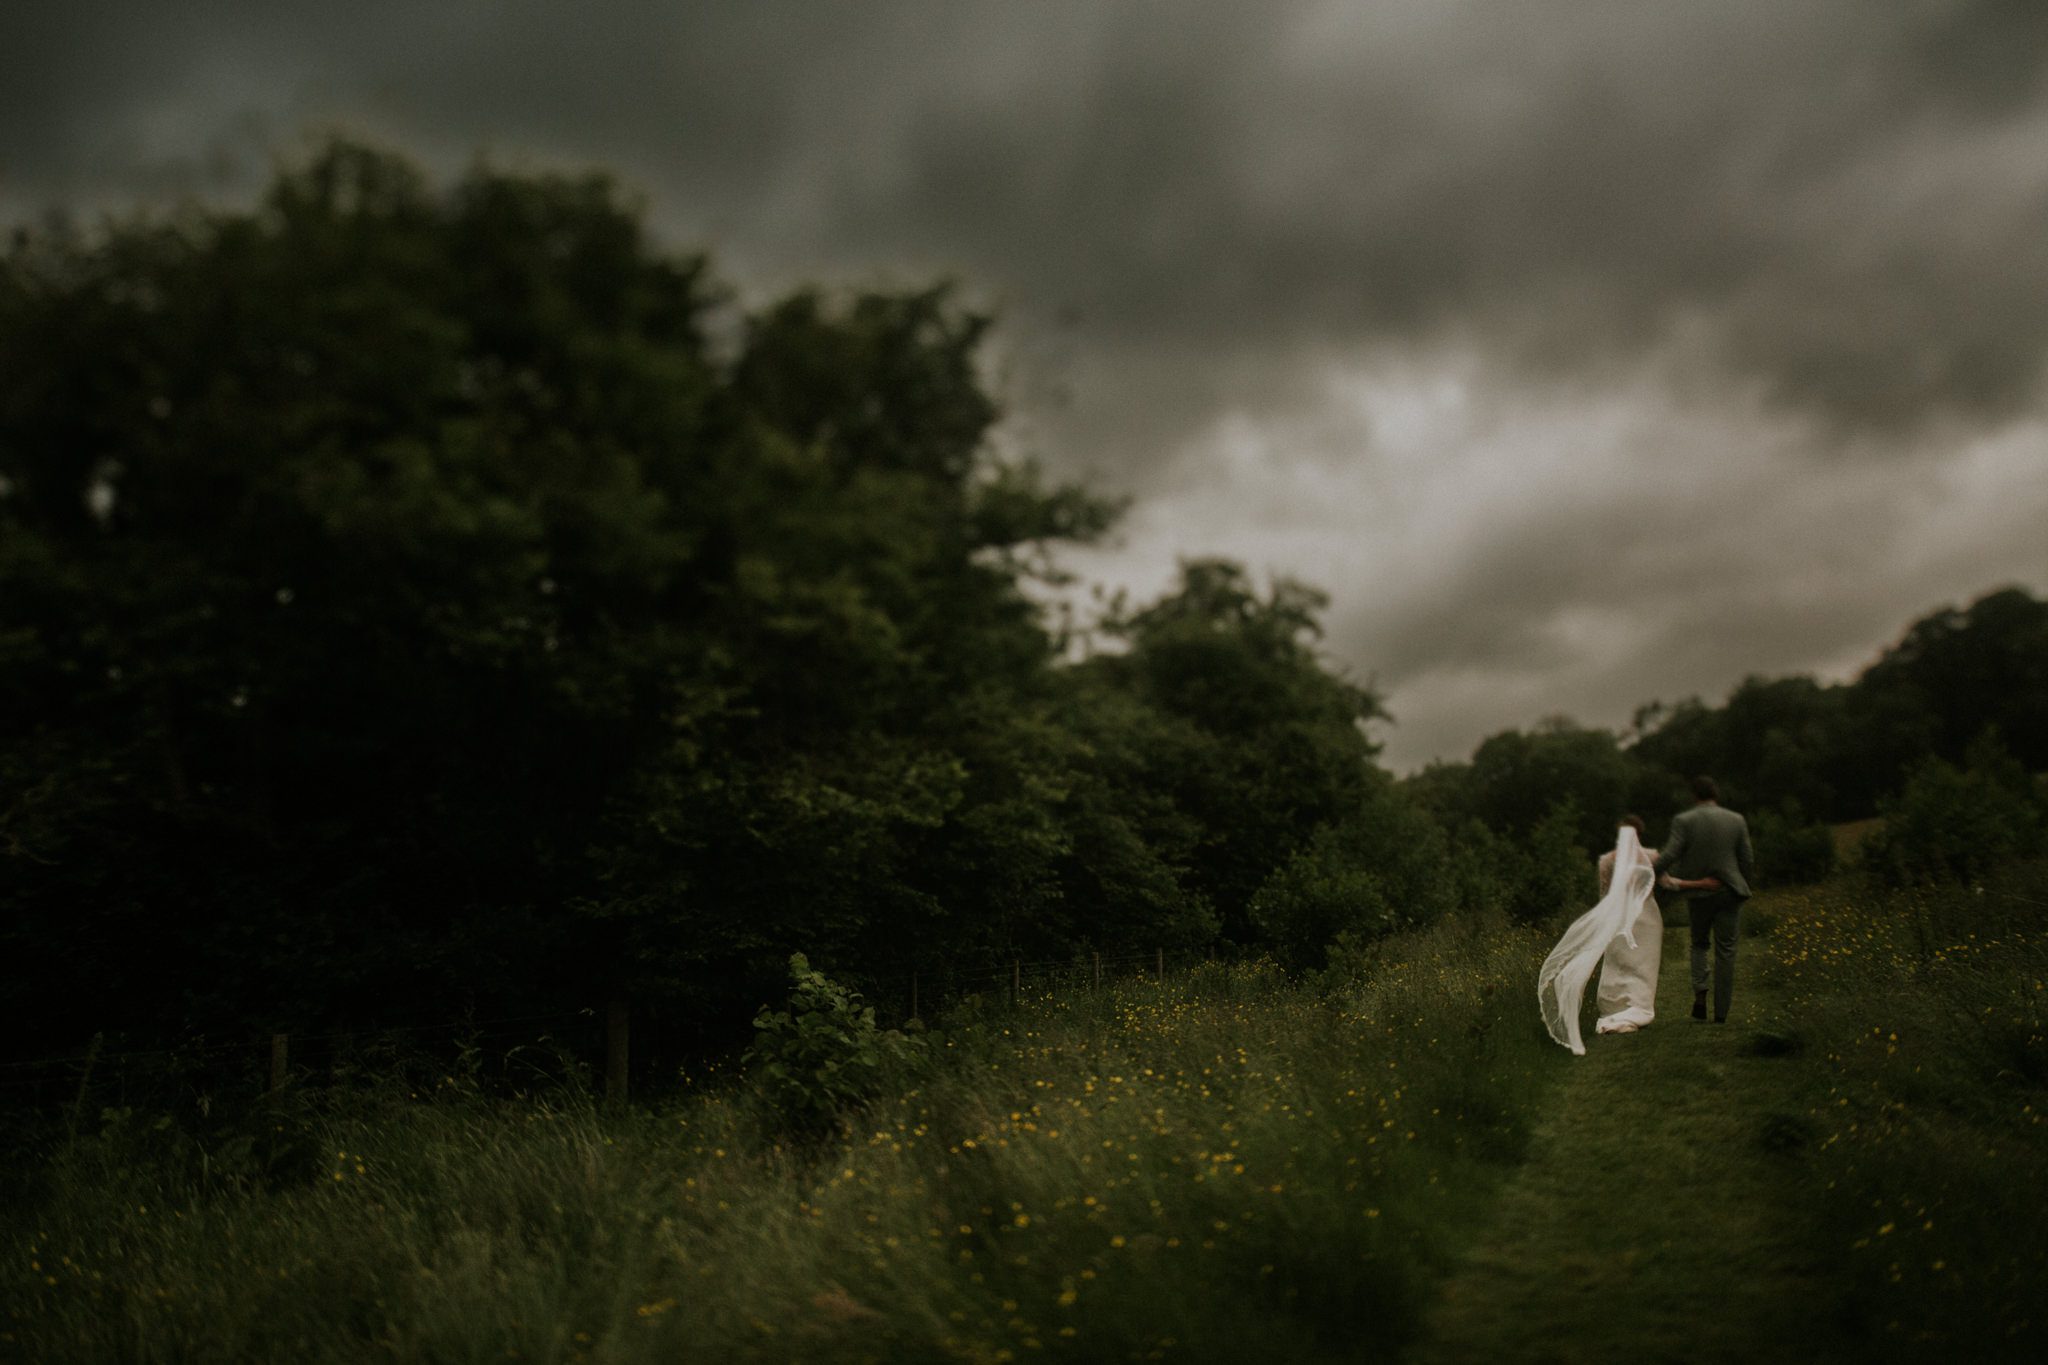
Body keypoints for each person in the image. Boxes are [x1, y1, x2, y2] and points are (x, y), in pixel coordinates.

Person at [1538, 817, 1720, 1054]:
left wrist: (1607, 921)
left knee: (1617, 964)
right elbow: (1669, 884)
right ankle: (1637, 1007)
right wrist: (1701, 884)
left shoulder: (1606, 861)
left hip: (1618, 919)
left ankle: (1613, 1010)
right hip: (1647, 919)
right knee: (1642, 966)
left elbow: (1604, 894)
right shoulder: (1652, 857)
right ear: (1641, 833)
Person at [1654, 775, 1756, 1024]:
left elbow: (1672, 852)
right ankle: (1721, 1013)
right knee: (1727, 951)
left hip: (1699, 894)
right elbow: (1747, 859)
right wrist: (1744, 884)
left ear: (1694, 796)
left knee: (1699, 944)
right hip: (1730, 891)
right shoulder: (1736, 820)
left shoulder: (1684, 820)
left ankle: (1700, 994)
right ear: (1716, 794)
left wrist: (1652, 870)